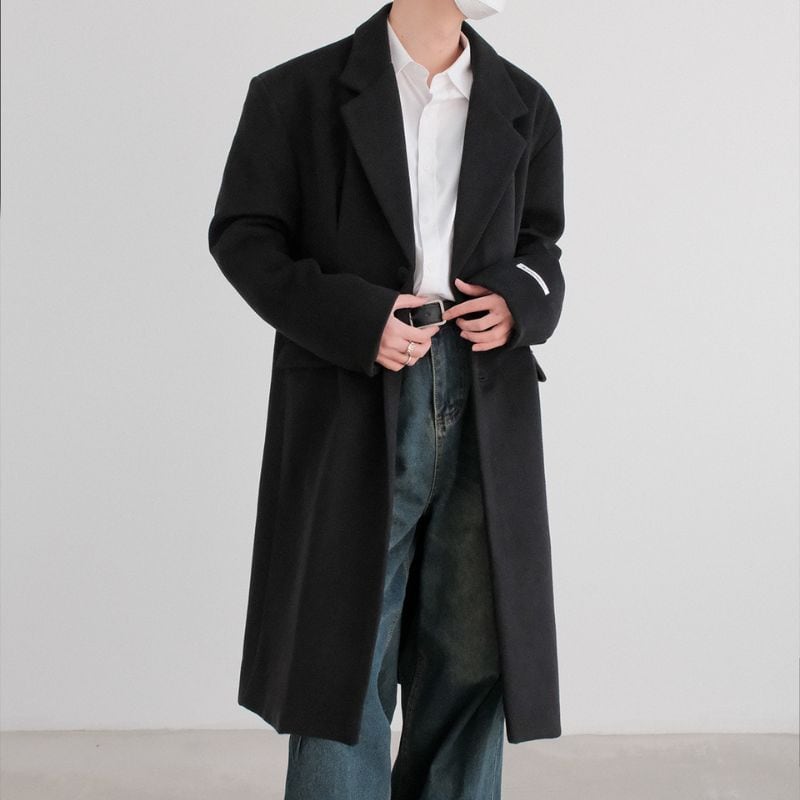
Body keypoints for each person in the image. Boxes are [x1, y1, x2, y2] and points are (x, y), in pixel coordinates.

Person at [208, 0, 566, 796]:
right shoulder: (294, 95)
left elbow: (542, 245)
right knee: (343, 652)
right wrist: (355, 319)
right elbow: (243, 235)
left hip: (486, 396)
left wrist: (520, 303)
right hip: (355, 392)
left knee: (475, 651)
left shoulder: (525, 104)